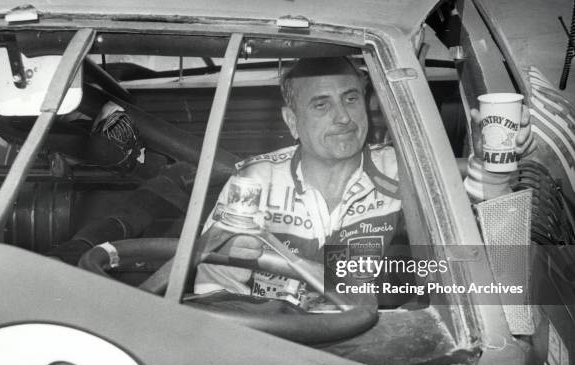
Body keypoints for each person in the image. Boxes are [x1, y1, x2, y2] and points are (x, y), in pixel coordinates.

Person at [194, 56, 534, 306]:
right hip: (279, 347)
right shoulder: (255, 180)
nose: (343, 117)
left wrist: (494, 175)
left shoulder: (405, 170)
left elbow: (485, 261)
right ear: (292, 121)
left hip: (379, 350)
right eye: (321, 104)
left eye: (351, 98)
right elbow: (214, 291)